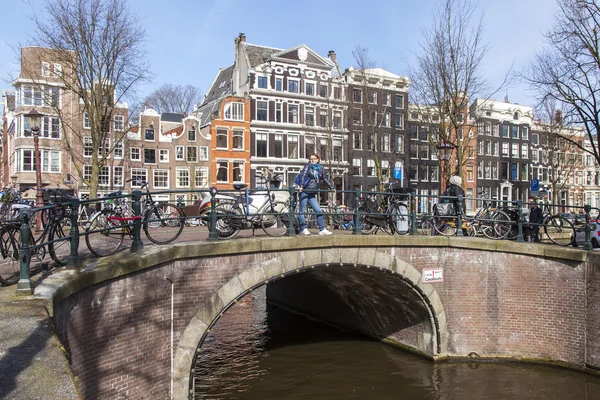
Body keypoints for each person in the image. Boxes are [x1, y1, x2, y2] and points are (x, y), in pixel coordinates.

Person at [296, 153, 335, 235]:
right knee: (302, 210)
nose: (312, 160)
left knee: (318, 210)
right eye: (311, 159)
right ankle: (303, 229)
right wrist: (301, 186)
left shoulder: (321, 168)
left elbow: (325, 179)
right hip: (304, 191)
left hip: (312, 193)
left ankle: (322, 229)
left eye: (314, 159)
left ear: (318, 159)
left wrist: (331, 187)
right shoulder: (308, 166)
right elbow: (303, 176)